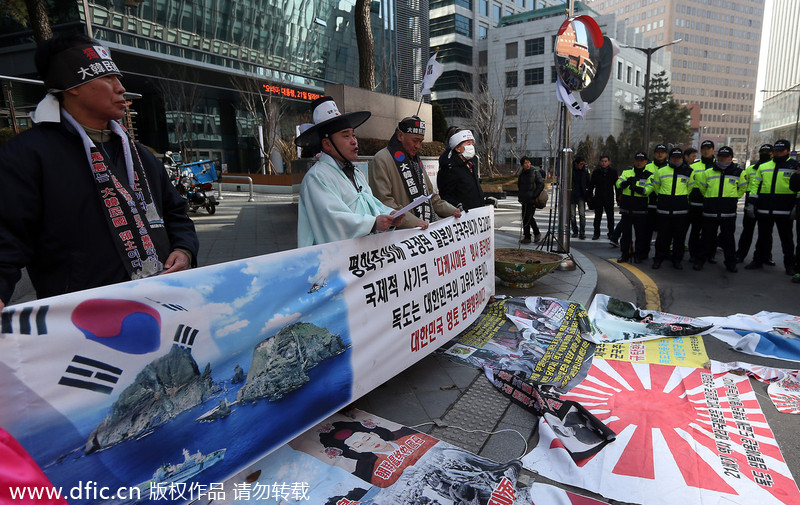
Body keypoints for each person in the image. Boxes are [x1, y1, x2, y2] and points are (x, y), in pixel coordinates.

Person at [0, 34, 198, 309]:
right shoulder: (29, 155)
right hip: (81, 318)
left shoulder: (141, 156)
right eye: (107, 78)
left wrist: (184, 249)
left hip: (161, 305)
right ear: (72, 86)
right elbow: (7, 235)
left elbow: (175, 213)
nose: (121, 88)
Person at [295, 96, 406, 247]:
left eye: (353, 135)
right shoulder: (316, 177)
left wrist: (389, 215)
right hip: (333, 258)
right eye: (346, 136)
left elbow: (370, 203)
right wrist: (373, 223)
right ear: (327, 144)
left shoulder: (355, 173)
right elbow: (331, 220)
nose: (354, 141)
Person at [368, 116, 460, 227]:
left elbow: (431, 197)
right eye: (415, 140)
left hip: (424, 225)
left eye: (421, 141)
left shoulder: (416, 160)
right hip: (403, 231)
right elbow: (383, 202)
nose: (418, 146)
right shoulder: (382, 159)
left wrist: (453, 210)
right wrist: (414, 222)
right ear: (400, 135)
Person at [745, 139, 798, 276]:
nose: (778, 153)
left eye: (781, 150)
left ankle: (790, 265)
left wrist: (796, 205)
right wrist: (751, 203)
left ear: (788, 151)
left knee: (787, 240)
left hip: (785, 208)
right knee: (763, 238)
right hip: (765, 207)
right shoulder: (764, 166)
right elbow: (755, 186)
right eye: (776, 150)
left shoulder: (795, 166)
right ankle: (758, 260)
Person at [692, 146, 745, 272]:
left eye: (726, 157)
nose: (723, 159)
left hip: (728, 212)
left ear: (731, 158)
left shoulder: (739, 172)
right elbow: (703, 189)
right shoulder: (708, 172)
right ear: (717, 157)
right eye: (721, 157)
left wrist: (732, 199)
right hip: (710, 211)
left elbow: (742, 188)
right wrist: (710, 199)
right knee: (706, 238)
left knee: (728, 239)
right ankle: (700, 261)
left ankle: (730, 263)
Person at [646, 147, 693, 270]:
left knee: (679, 238)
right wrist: (664, 198)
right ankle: (658, 259)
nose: (676, 160)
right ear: (670, 158)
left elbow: (690, 188)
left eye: (678, 158)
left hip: (681, 211)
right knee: (662, 237)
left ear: (681, 158)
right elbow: (656, 187)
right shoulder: (661, 171)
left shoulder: (689, 171)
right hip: (664, 210)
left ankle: (677, 260)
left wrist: (680, 198)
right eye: (673, 157)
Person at [437, 128, 492, 210]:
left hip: (476, 213)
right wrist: (457, 205)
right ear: (458, 148)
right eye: (468, 144)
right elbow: (445, 195)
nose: (471, 147)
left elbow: (470, 190)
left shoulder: (470, 164)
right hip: (461, 215)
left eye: (472, 144)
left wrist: (484, 200)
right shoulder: (449, 168)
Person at [736, 144, 773, 264]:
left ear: (772, 154)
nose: (764, 155)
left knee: (766, 233)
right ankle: (740, 254)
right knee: (747, 231)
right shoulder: (750, 169)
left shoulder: (773, 168)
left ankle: (766, 256)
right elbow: (745, 185)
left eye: (767, 153)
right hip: (750, 202)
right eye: (762, 152)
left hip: (766, 202)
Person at [615, 152, 652, 263]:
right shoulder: (627, 172)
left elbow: (648, 190)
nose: (639, 162)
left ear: (646, 162)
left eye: (641, 160)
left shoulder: (649, 175)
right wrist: (626, 183)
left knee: (640, 235)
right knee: (626, 235)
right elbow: (618, 183)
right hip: (627, 208)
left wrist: (636, 188)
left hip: (640, 209)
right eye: (637, 160)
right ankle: (625, 254)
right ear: (634, 161)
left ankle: (638, 255)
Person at [688, 141, 715, 264]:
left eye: (708, 148)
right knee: (695, 230)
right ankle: (693, 254)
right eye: (704, 148)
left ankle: (710, 254)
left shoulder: (718, 165)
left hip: (712, 203)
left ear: (713, 150)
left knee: (711, 231)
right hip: (696, 204)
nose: (706, 150)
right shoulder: (693, 166)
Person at [642, 144, 669, 259]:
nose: (660, 154)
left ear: (666, 154)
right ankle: (643, 253)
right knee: (646, 232)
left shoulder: (670, 167)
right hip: (648, 204)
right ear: (654, 153)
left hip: (664, 205)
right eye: (658, 151)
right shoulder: (647, 167)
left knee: (663, 233)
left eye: (662, 152)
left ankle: (661, 255)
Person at [588, 155, 618, 240]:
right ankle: (596, 233)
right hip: (598, 197)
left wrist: (618, 198)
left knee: (610, 217)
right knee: (597, 217)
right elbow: (591, 186)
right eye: (602, 161)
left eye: (605, 161)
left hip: (609, 197)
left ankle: (611, 233)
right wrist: (590, 198)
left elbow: (617, 186)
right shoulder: (596, 172)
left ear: (609, 162)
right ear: (600, 162)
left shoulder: (613, 172)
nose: (604, 163)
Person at [517, 156, 545, 243]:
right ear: (522, 165)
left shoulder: (534, 172)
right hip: (524, 199)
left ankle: (537, 233)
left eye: (528, 162)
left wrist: (534, 194)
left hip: (532, 199)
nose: (527, 164)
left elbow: (541, 184)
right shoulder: (522, 173)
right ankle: (527, 237)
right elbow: (519, 185)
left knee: (529, 217)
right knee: (524, 218)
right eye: (525, 163)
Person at [570, 156, 591, 239]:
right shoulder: (571, 171)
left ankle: (582, 232)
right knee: (572, 215)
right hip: (572, 195)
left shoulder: (585, 171)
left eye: (583, 164)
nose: (582, 165)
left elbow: (588, 183)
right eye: (581, 164)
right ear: (576, 163)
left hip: (581, 195)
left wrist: (588, 194)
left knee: (582, 215)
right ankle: (575, 231)